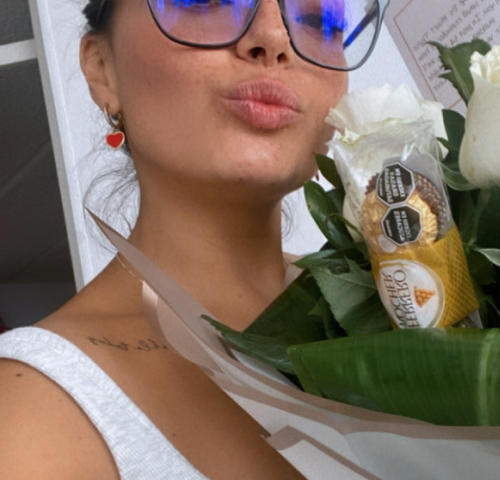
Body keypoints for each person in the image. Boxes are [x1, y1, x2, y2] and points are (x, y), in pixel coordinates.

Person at [0, 0, 385, 477]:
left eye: (320, 19)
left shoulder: (415, 302)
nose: (275, 38)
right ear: (102, 68)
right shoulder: (27, 416)